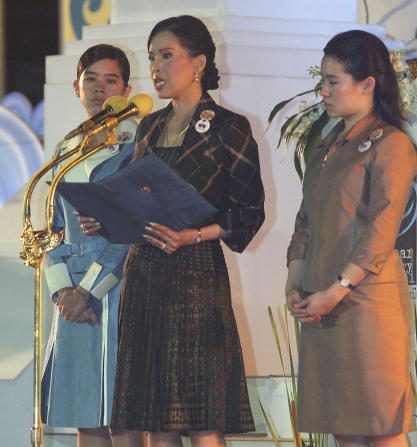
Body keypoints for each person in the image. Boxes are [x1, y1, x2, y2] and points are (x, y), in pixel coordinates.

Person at [80, 14, 264, 447]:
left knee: (200, 417)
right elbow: (140, 202)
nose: (156, 69)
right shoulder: (148, 126)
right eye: (151, 59)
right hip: (145, 278)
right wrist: (107, 219)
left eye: (166, 56)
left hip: (196, 274)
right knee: (156, 419)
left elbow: (249, 212)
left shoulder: (227, 127)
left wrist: (193, 235)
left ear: (198, 63)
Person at [286, 30, 417, 447]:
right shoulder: (326, 145)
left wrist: (338, 288)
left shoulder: (392, 144)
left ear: (367, 84)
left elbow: (382, 228)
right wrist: (295, 279)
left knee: (379, 428)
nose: (322, 91)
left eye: (332, 81)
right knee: (341, 425)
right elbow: (306, 219)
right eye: (321, 81)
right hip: (321, 299)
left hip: (366, 304)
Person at [41, 44, 141, 447]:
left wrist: (88, 291)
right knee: (86, 412)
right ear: (76, 87)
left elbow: (133, 230)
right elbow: (53, 229)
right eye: (91, 79)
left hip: (117, 290)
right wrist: (62, 289)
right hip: (71, 299)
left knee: (126, 415)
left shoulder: (134, 150)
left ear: (127, 88)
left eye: (110, 80)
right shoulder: (64, 152)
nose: (100, 89)